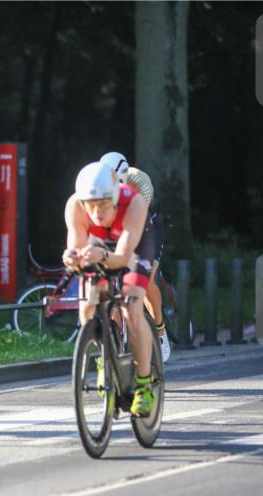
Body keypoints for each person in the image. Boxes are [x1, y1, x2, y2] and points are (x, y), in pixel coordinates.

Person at [62, 161, 161, 417]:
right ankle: (105, 358)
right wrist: (72, 257)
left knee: (131, 309)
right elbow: (77, 246)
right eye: (91, 205)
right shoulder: (74, 206)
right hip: (99, 245)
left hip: (134, 248)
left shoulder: (135, 203)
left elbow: (123, 257)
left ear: (115, 198)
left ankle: (143, 384)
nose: (97, 212)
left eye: (104, 204)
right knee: (88, 306)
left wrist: (100, 255)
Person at [99, 151, 171, 362]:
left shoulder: (141, 182)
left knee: (146, 279)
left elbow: (139, 226)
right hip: (117, 224)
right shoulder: (99, 183)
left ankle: (160, 329)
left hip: (147, 225)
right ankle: (115, 340)